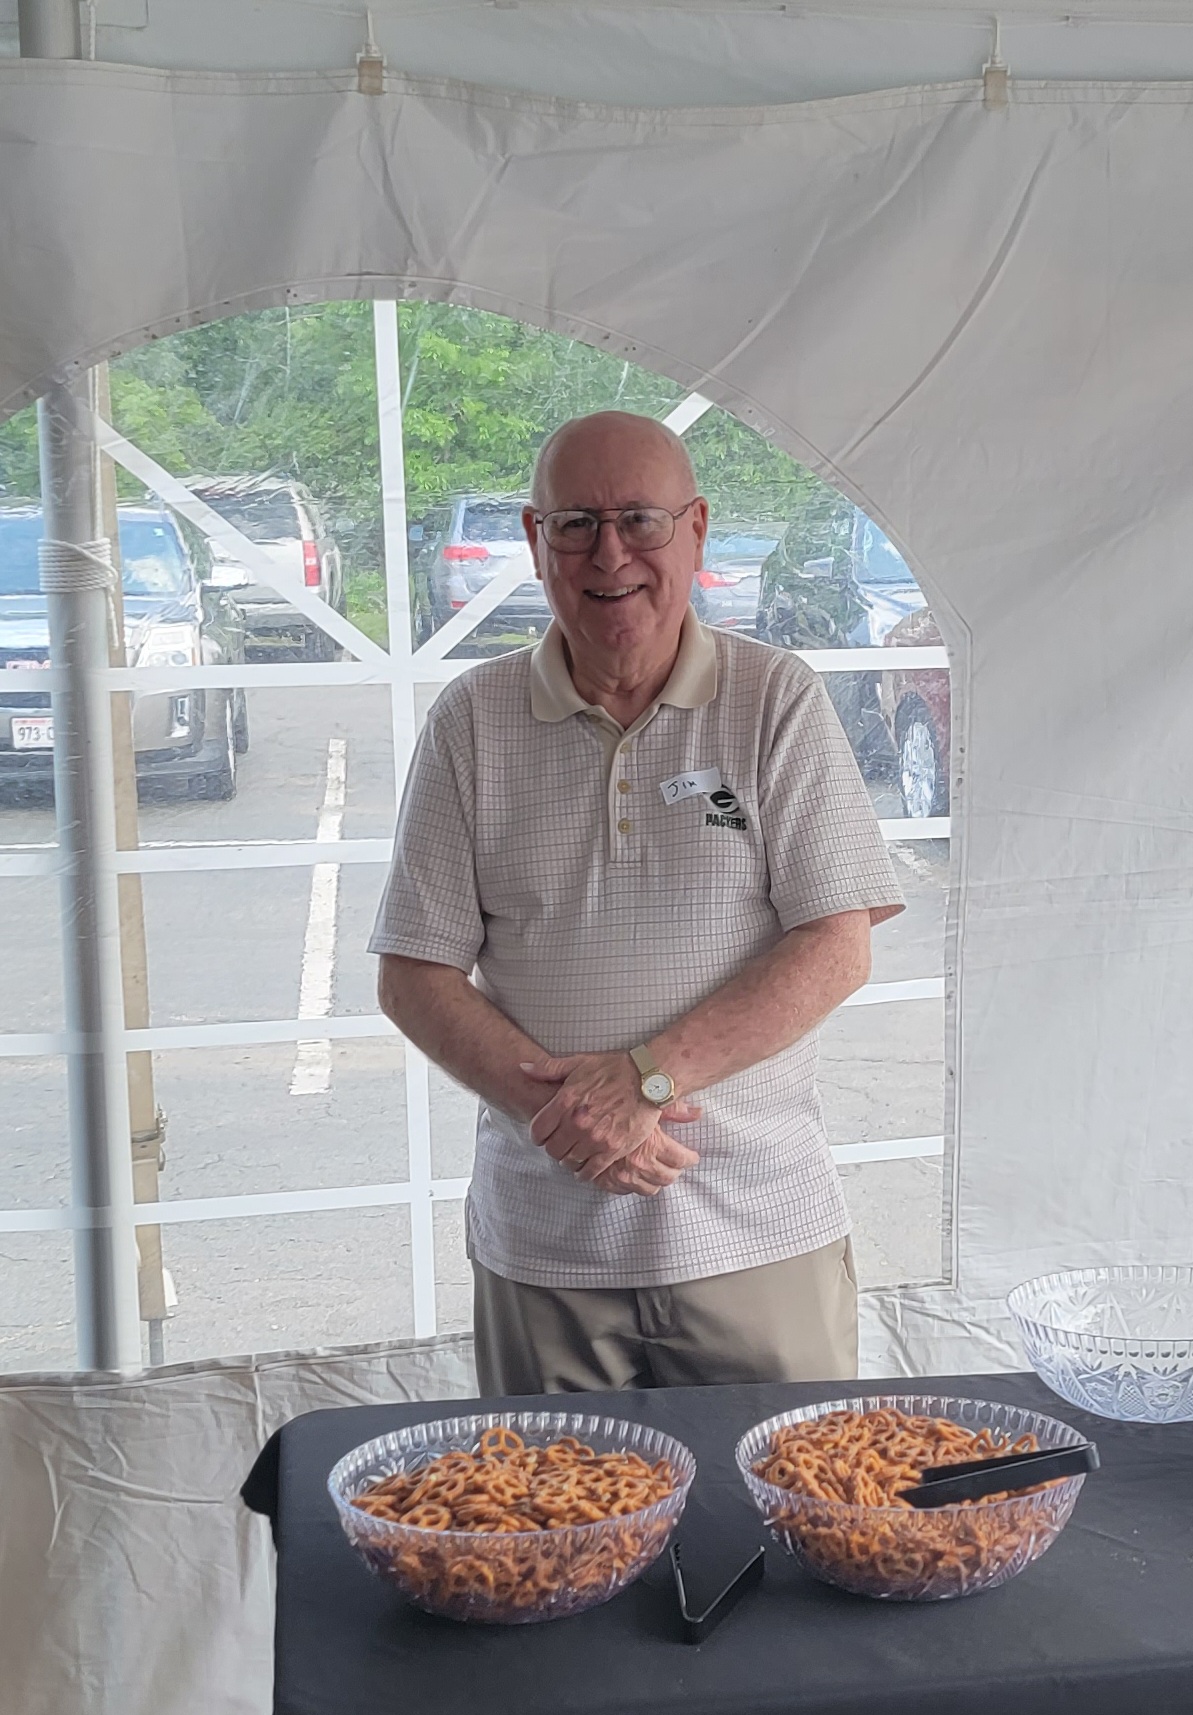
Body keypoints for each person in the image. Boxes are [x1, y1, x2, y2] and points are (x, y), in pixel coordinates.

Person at [371, 410, 904, 1395]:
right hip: (547, 1251)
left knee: (783, 1527)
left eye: (640, 521)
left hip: (757, 1233)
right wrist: (581, 1119)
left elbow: (837, 944)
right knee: (554, 1541)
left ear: (696, 531)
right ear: (535, 541)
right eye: (575, 523)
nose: (608, 552)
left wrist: (647, 1081)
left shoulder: (774, 699)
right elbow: (414, 975)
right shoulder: (471, 723)